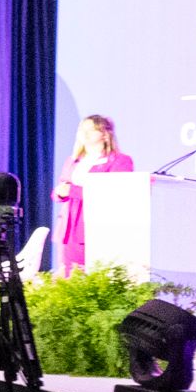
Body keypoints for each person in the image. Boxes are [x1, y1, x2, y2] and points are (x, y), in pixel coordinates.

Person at [57, 112, 134, 273]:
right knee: (68, 280)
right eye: (81, 129)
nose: (84, 133)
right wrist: (60, 193)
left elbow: (113, 194)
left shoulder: (120, 161)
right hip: (68, 229)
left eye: (91, 130)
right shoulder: (73, 160)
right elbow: (60, 190)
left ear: (105, 135)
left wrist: (72, 190)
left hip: (96, 227)